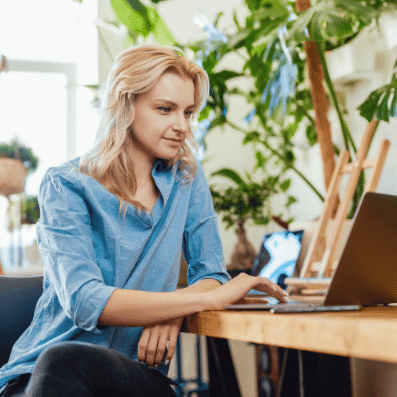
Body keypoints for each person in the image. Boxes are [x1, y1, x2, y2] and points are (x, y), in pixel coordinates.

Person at [0, 44, 287, 397]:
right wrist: (200, 300)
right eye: (165, 109)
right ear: (125, 104)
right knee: (64, 359)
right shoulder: (65, 185)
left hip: (133, 374)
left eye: (188, 112)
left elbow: (210, 273)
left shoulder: (187, 179)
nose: (181, 126)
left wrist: (170, 313)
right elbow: (85, 301)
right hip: (42, 375)